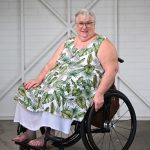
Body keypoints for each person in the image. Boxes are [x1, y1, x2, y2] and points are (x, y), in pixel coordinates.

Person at [12, 8, 118, 147]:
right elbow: (50, 64)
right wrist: (38, 79)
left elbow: (112, 69)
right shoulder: (68, 42)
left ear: (94, 24)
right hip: (55, 80)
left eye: (88, 23)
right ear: (75, 24)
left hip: (80, 87)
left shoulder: (102, 43)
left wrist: (100, 94)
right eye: (81, 23)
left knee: (55, 92)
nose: (84, 27)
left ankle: (49, 136)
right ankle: (30, 131)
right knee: (28, 90)